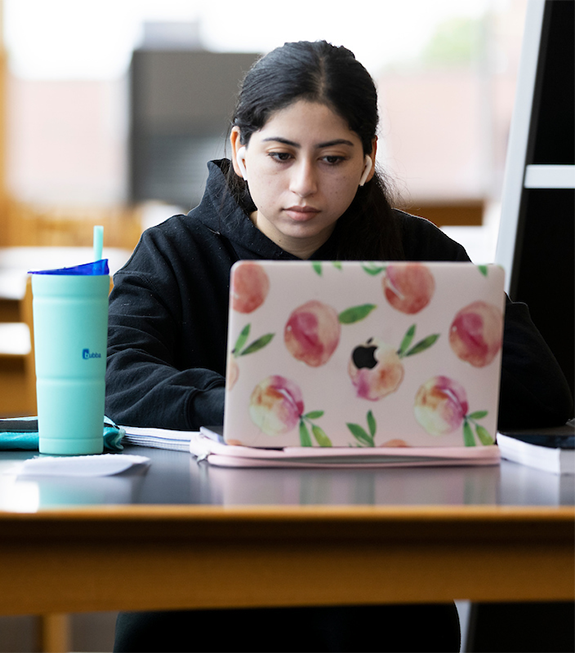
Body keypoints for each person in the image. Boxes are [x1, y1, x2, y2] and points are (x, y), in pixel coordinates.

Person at [105, 40, 574, 652]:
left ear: (369, 159)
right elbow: (116, 376)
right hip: (204, 563)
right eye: (280, 154)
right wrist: (239, 404)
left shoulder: (420, 255)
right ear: (239, 151)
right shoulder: (176, 251)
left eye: (332, 158)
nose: (304, 185)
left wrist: (466, 330)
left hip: (381, 574)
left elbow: (542, 395)